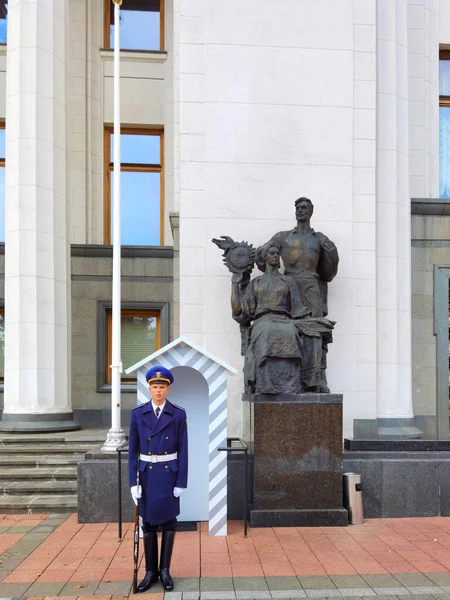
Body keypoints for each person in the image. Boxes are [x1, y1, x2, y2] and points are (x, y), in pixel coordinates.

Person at [231, 240, 323, 394]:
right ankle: (265, 384)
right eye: (271, 253)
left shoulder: (288, 281)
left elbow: (298, 309)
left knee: (298, 332)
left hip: (286, 321)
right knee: (267, 331)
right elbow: (239, 310)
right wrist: (234, 284)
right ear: (264, 257)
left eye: (277, 253)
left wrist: (314, 321)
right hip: (262, 321)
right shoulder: (256, 283)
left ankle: (297, 384)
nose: (275, 256)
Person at [268, 197, 339, 391]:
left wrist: (334, 258)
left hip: (311, 286)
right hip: (288, 285)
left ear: (311, 211)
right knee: (288, 329)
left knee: (315, 332)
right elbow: (264, 255)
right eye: (298, 208)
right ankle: (288, 379)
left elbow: (328, 274)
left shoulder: (320, 239)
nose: (300, 210)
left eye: (304, 208)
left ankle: (316, 380)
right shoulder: (283, 237)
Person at [128, 366, 188, 593]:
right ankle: (150, 571)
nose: (158, 390)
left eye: (162, 387)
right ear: (149, 388)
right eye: (154, 387)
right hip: (147, 475)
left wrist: (181, 481)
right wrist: (133, 483)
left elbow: (183, 450)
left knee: (169, 523)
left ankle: (165, 570)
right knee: (149, 523)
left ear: (168, 388)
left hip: (168, 474)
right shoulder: (137, 413)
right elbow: (132, 451)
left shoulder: (178, 413)